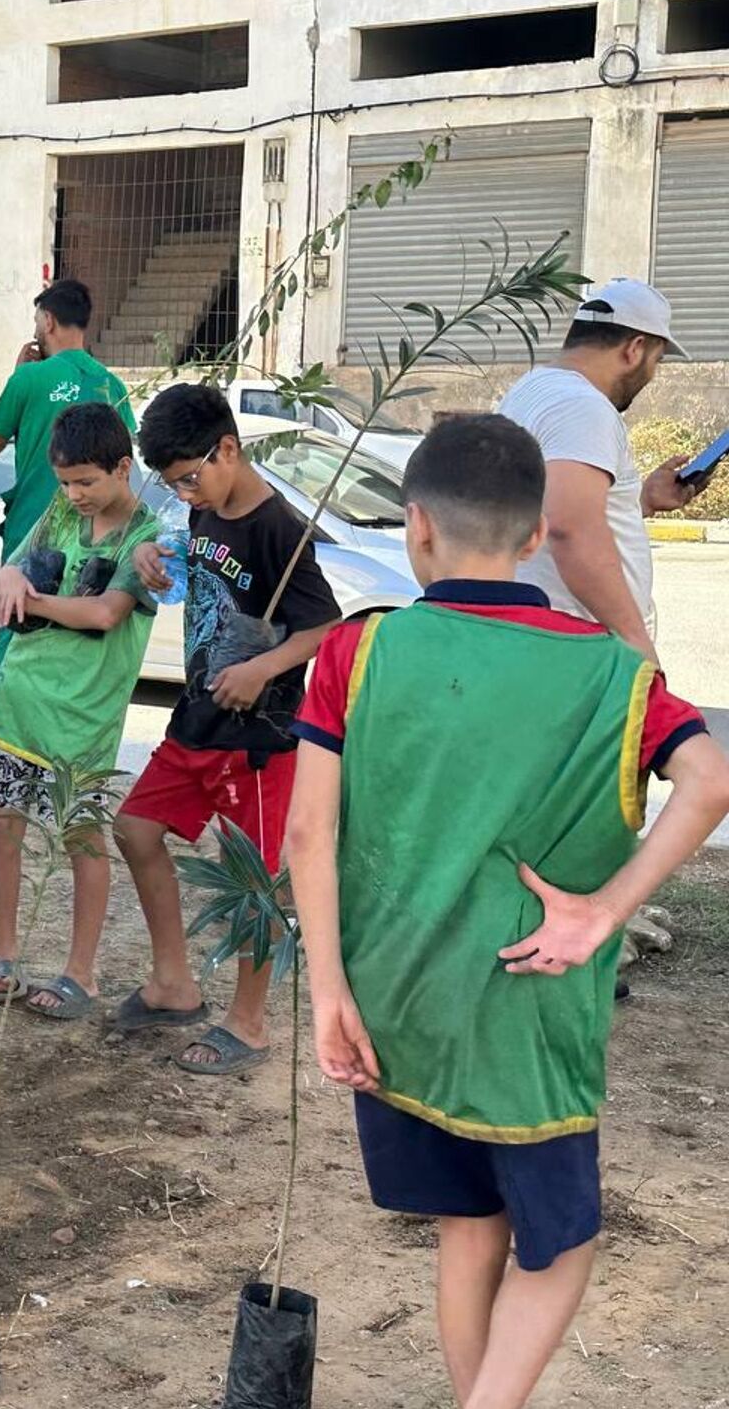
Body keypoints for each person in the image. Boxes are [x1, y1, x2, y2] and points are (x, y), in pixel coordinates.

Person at [289, 413, 729, 1409]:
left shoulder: (359, 652)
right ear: (537, 538)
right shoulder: (615, 671)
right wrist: (601, 911)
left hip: (398, 1000)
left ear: (416, 528)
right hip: (527, 1020)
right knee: (562, 1243)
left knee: (468, 1228)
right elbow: (708, 780)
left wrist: (327, 993)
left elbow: (307, 836)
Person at [113, 383, 341, 1074]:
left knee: (254, 881)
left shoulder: (279, 526)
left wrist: (263, 667)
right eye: (173, 483)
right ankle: (175, 983)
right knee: (135, 827)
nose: (184, 494)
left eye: (190, 477)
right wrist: (156, 561)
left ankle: (249, 1021)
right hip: (199, 719)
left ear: (229, 450)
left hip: (260, 736)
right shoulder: (208, 507)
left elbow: (326, 625)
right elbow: (212, 582)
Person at [0, 404, 158, 1019]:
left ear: (123, 468)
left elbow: (107, 612)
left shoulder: (146, 537)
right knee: (3, 827)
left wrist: (36, 597)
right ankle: (6, 957)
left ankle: (82, 973)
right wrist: (7, 573)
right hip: (19, 706)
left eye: (87, 482)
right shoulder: (56, 513)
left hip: (84, 721)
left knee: (82, 840)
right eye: (65, 482)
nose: (74, 494)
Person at [499, 278, 707, 662]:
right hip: (580, 646)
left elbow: (549, 506)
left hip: (547, 637)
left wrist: (640, 502)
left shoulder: (531, 390)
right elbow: (570, 529)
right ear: (635, 349)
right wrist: (634, 638)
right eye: (656, 361)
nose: (652, 374)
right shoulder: (582, 406)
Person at [0, 278, 137, 661]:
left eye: (37, 321)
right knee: (72, 640)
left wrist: (17, 377)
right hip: (94, 536)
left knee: (16, 622)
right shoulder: (112, 385)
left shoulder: (29, 377)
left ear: (47, 321)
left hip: (32, 529)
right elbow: (126, 462)